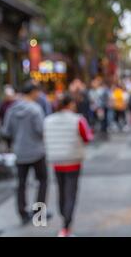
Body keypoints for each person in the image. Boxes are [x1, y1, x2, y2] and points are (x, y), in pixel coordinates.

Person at [44, 93, 93, 237]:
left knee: (61, 191)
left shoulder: (48, 120)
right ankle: (66, 226)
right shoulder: (78, 119)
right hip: (73, 161)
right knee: (71, 193)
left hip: (56, 161)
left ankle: (64, 218)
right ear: (71, 104)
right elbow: (87, 137)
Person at [2, 81, 47, 225]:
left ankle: (22, 213)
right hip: (37, 152)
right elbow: (41, 130)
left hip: (19, 152)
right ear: (33, 92)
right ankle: (38, 214)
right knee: (42, 181)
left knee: (21, 183)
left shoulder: (12, 109)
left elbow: (6, 131)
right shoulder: (36, 109)